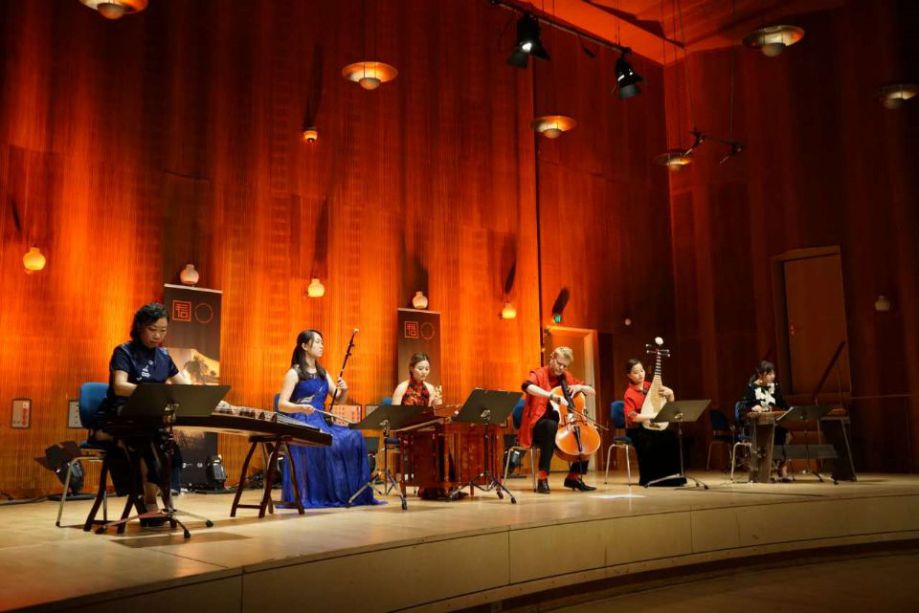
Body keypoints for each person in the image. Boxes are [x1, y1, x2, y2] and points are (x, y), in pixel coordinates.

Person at [90, 303, 190, 524]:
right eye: (152, 329)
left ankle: (166, 497)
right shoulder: (124, 351)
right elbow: (119, 386)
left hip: (149, 415)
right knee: (148, 441)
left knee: (167, 444)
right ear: (139, 327)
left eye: (163, 330)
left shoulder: (164, 356)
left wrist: (212, 399)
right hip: (121, 413)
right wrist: (153, 393)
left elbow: (184, 387)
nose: (158, 336)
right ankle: (149, 501)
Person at [277, 329, 377, 507]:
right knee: (333, 442)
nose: (322, 346)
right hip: (301, 420)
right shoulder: (294, 373)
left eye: (322, 342)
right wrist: (300, 407)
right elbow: (282, 405)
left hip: (320, 420)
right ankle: (327, 493)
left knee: (355, 436)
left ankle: (348, 493)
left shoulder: (323, 373)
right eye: (317, 342)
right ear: (304, 346)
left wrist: (344, 390)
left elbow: (338, 400)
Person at [520, 347, 597, 493]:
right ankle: (542, 478)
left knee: (588, 433)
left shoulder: (567, 377)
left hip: (563, 424)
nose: (561, 368)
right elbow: (527, 386)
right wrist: (551, 395)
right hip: (539, 425)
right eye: (559, 363)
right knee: (550, 426)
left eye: (565, 366)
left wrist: (579, 387)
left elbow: (592, 391)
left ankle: (573, 477)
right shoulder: (539, 373)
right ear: (552, 358)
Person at [623, 358, 685, 487]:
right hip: (637, 429)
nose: (640, 374)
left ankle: (671, 477)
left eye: (641, 370)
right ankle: (649, 479)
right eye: (635, 372)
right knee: (649, 440)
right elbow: (632, 416)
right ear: (629, 375)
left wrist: (671, 394)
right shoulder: (629, 393)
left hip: (655, 426)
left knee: (671, 437)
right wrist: (651, 416)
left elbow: (668, 406)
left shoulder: (652, 386)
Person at [741, 360, 790, 481]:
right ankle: (763, 471)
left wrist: (791, 410)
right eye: (770, 374)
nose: (773, 376)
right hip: (755, 426)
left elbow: (783, 404)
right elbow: (743, 406)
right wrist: (753, 407)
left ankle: (782, 466)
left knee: (786, 435)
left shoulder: (774, 387)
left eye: (774, 373)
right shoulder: (751, 388)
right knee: (767, 439)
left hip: (770, 424)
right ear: (761, 374)